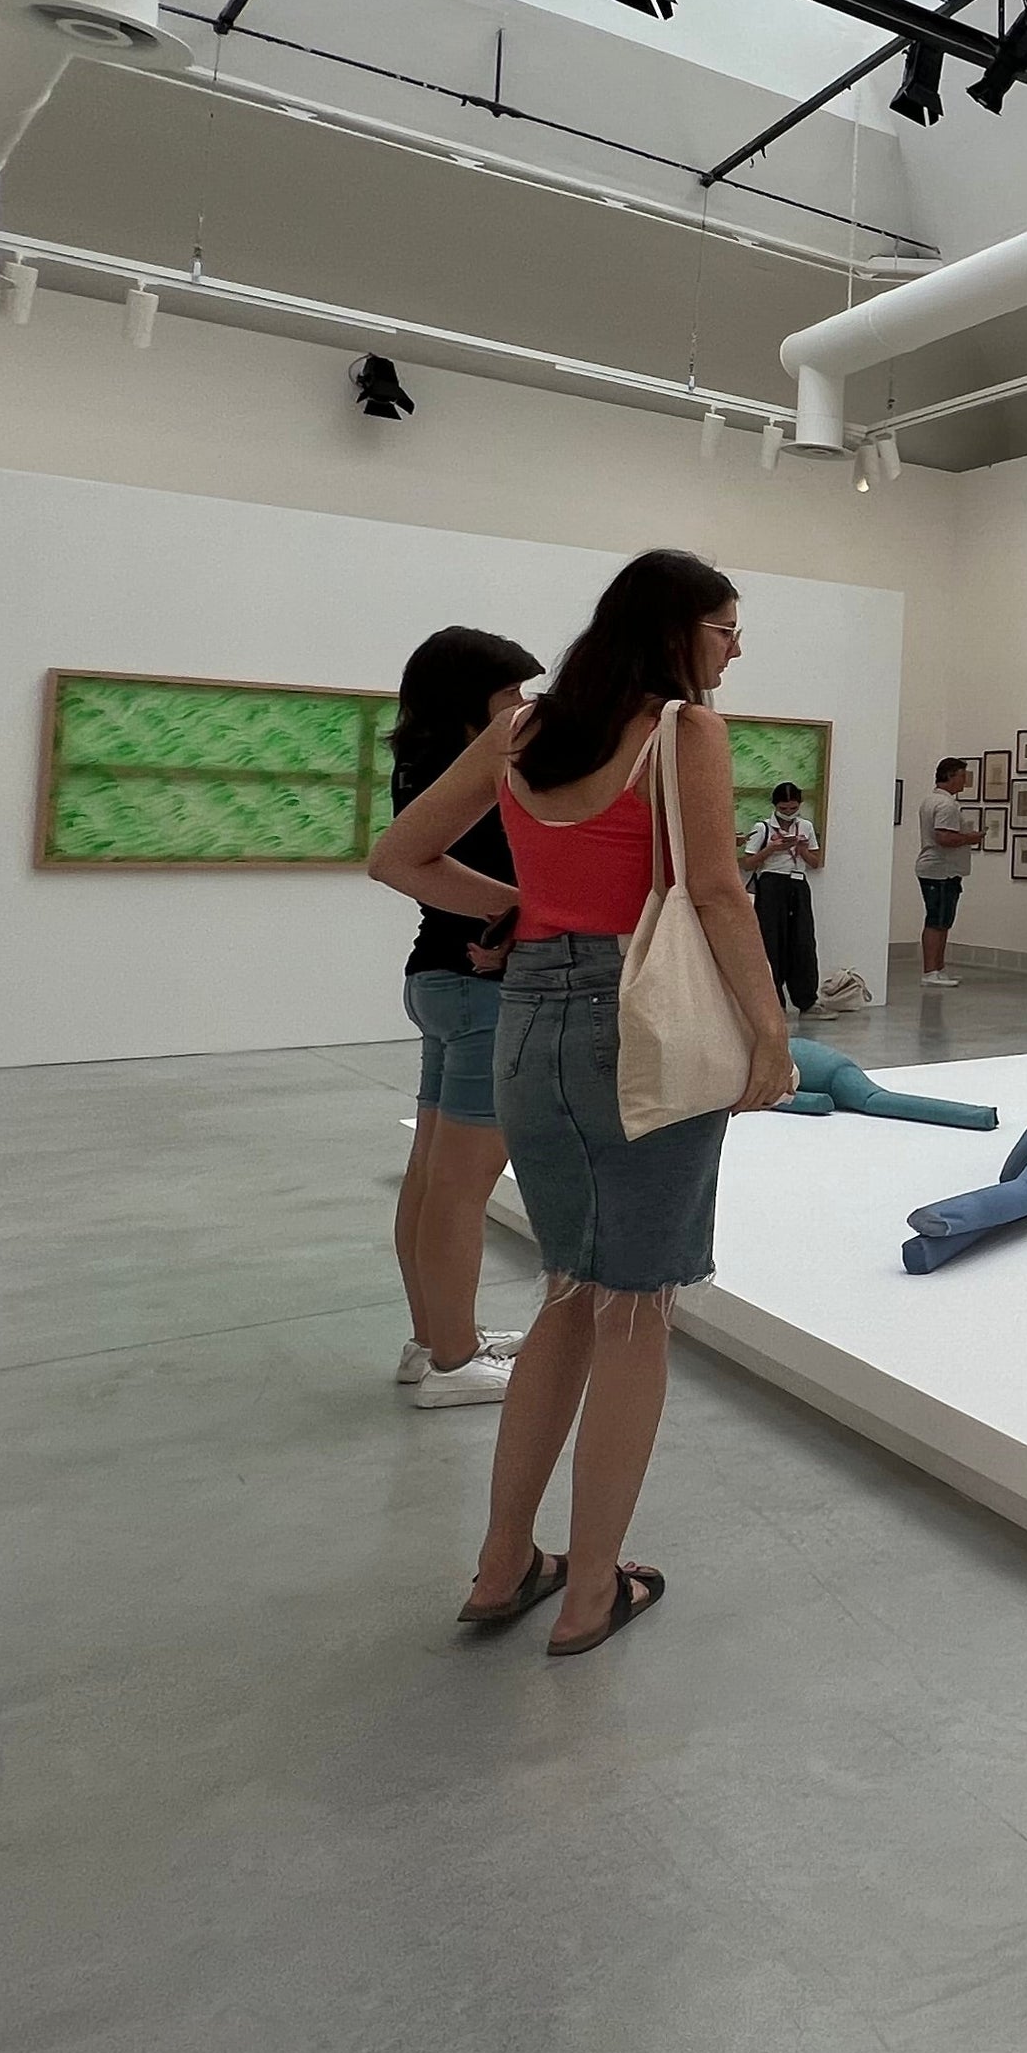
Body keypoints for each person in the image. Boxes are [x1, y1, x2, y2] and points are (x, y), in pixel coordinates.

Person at [370, 549, 795, 1659]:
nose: (735, 648)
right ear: (677, 633)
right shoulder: (682, 732)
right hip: (640, 1022)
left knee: (569, 1290)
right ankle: (596, 1584)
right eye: (726, 628)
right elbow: (712, 891)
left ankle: (505, 1561)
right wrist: (772, 1031)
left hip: (528, 1022)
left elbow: (399, 853)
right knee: (635, 1310)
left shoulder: (523, 732)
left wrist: (522, 905)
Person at [383, 625, 542, 1408]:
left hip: (436, 980)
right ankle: (452, 1361)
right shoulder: (466, 768)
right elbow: (412, 864)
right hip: (480, 987)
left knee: (431, 1177)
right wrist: (521, 911)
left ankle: (435, 1338)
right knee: (461, 1187)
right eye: (511, 694)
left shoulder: (419, 764)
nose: (523, 708)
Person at [741, 781, 823, 1014]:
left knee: (803, 941)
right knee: (771, 942)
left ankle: (807, 998)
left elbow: (816, 862)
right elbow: (747, 863)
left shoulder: (805, 826)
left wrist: (803, 849)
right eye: (784, 808)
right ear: (775, 805)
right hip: (771, 884)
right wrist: (772, 849)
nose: (788, 812)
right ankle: (774, 1002)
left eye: (792, 807)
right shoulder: (762, 827)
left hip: (798, 884)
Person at [914, 756, 978, 986]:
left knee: (943, 921)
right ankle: (930, 971)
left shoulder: (933, 800)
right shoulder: (946, 804)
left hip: (942, 869)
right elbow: (944, 837)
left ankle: (938, 968)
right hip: (939, 869)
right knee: (936, 921)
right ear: (950, 776)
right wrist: (970, 838)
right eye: (962, 776)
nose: (965, 781)